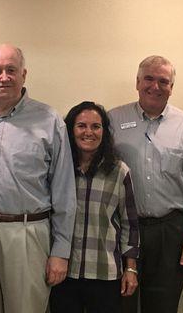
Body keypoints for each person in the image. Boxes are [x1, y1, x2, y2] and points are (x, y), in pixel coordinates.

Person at [0, 43, 76, 313]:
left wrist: (60, 251)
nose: (4, 77)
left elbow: (64, 190)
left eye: (11, 70)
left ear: (24, 74)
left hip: (26, 232)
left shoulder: (49, 119)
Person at [108, 55, 183, 313]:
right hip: (123, 229)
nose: (155, 86)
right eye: (149, 79)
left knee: (163, 305)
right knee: (121, 304)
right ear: (137, 82)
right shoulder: (113, 121)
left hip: (169, 231)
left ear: (171, 87)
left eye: (164, 81)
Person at [49, 101, 140, 313]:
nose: (88, 132)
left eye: (95, 126)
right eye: (81, 126)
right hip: (64, 271)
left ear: (103, 131)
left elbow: (130, 224)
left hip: (104, 273)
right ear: (71, 130)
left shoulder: (119, 171)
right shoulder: (57, 169)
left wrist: (131, 269)